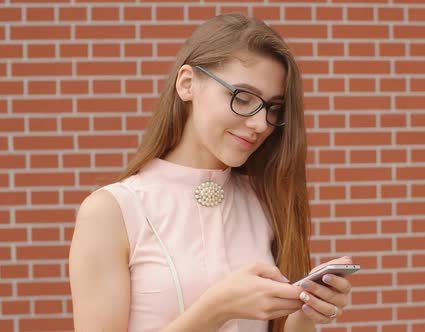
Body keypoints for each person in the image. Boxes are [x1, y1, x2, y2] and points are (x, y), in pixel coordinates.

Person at [69, 13, 354, 332]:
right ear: (187, 83)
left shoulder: (266, 201)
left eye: (273, 109)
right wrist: (217, 309)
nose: (260, 124)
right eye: (242, 98)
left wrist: (307, 311)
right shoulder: (112, 211)